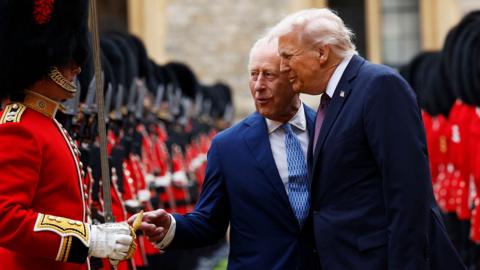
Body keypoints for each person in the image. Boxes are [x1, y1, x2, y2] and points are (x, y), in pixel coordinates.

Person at [266, 8, 466, 270]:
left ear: (323, 53)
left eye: (288, 56)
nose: (282, 67)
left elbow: (407, 194)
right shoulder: (333, 99)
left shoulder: (379, 87)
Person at [129, 37, 320, 269]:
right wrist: (170, 226)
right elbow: (209, 222)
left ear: (294, 79)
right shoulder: (228, 145)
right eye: (253, 74)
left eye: (269, 75)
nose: (258, 85)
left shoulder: (330, 130)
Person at [0, 0, 136, 269]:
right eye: (68, 58)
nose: (77, 68)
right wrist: (88, 239)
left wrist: (98, 233)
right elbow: (5, 217)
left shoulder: (46, 123)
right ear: (45, 60)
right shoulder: (19, 127)